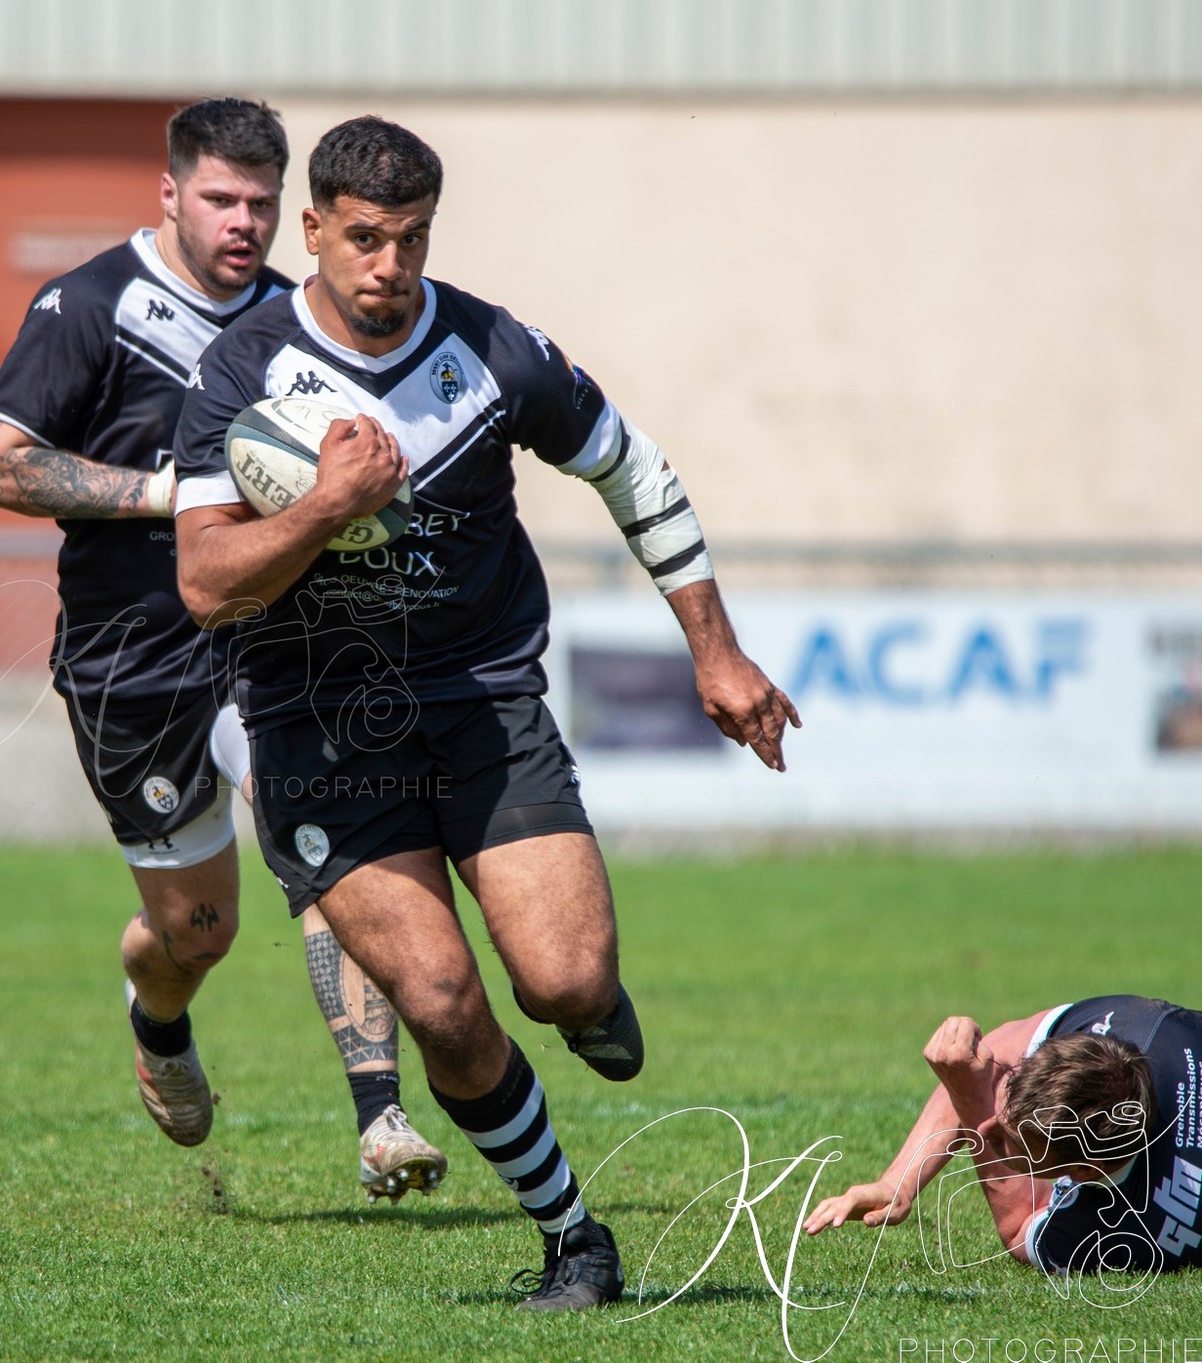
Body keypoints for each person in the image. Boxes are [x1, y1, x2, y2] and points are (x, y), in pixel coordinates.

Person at [171, 116, 799, 1310]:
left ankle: (585, 1001)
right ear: (311, 230)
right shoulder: (241, 372)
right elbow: (204, 583)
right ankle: (573, 1237)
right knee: (442, 1002)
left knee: (562, 980)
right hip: (315, 726)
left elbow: (629, 466)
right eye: (363, 238)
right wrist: (326, 505)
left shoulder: (493, 350)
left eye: (410, 239)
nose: (387, 265)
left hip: (478, 699)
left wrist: (714, 652)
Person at [0, 99, 448, 1196]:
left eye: (261, 204)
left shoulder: (295, 319)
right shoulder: (91, 305)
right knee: (196, 930)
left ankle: (381, 1116)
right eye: (221, 199)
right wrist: (174, 493)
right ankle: (156, 1015)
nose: (243, 222)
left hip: (264, 639)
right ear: (170, 193)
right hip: (130, 657)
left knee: (323, 847)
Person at [805, 996, 1202, 1277]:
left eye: (1010, 1143)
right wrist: (898, 1184)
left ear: (1084, 1170)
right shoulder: (1133, 1025)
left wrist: (971, 1097)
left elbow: (1019, 1226)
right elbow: (997, 1050)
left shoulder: (1126, 1232)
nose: (982, 1129)